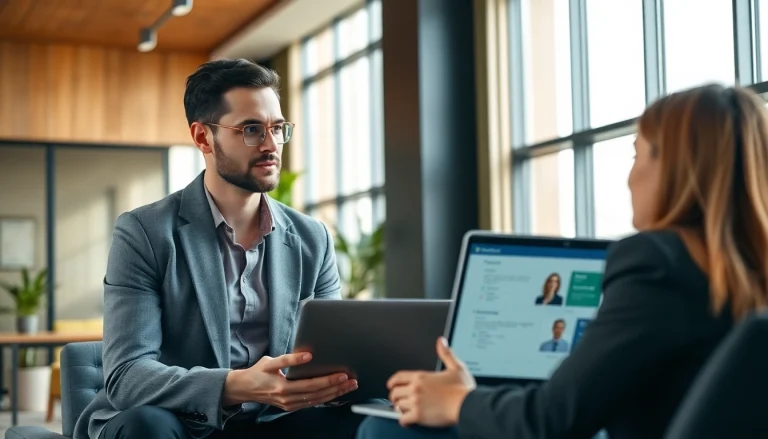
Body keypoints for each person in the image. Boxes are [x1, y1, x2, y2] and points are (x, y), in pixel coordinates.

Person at [355, 83, 768, 439]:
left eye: (636, 154)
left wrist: (459, 400)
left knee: (388, 428)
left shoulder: (657, 264)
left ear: (674, 168)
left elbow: (552, 420)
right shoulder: (745, 269)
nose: (628, 178)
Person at [73, 59, 362, 439]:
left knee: (373, 418)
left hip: (275, 421)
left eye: (277, 128)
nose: (271, 144)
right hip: (181, 420)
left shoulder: (313, 238)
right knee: (148, 426)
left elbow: (333, 354)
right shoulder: (144, 232)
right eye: (252, 129)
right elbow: (129, 375)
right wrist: (238, 384)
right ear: (203, 138)